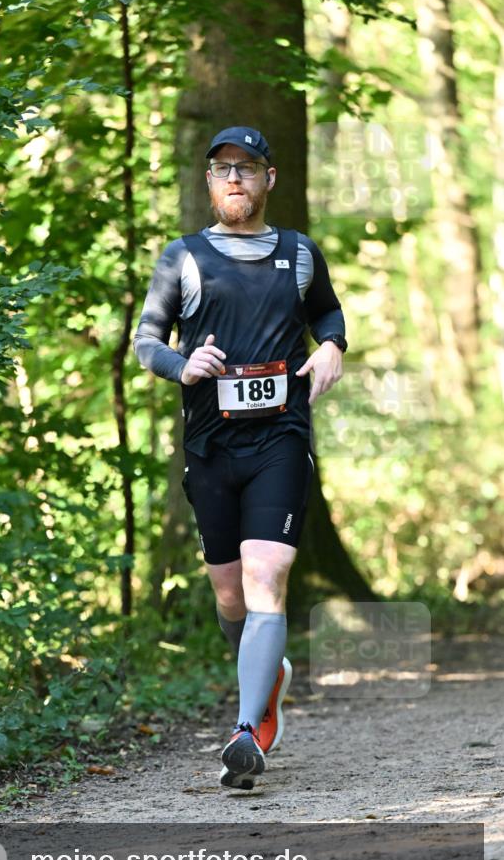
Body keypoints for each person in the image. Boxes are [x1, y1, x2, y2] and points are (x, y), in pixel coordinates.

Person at [133, 126, 347, 789]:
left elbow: (328, 316)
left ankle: (246, 730)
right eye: (222, 168)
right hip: (210, 445)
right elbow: (146, 340)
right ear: (208, 180)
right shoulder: (184, 257)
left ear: (268, 179)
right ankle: (267, 678)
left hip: (280, 438)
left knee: (265, 577)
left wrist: (333, 347)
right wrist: (181, 363)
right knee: (230, 594)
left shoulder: (298, 253)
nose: (234, 179)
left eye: (247, 168)